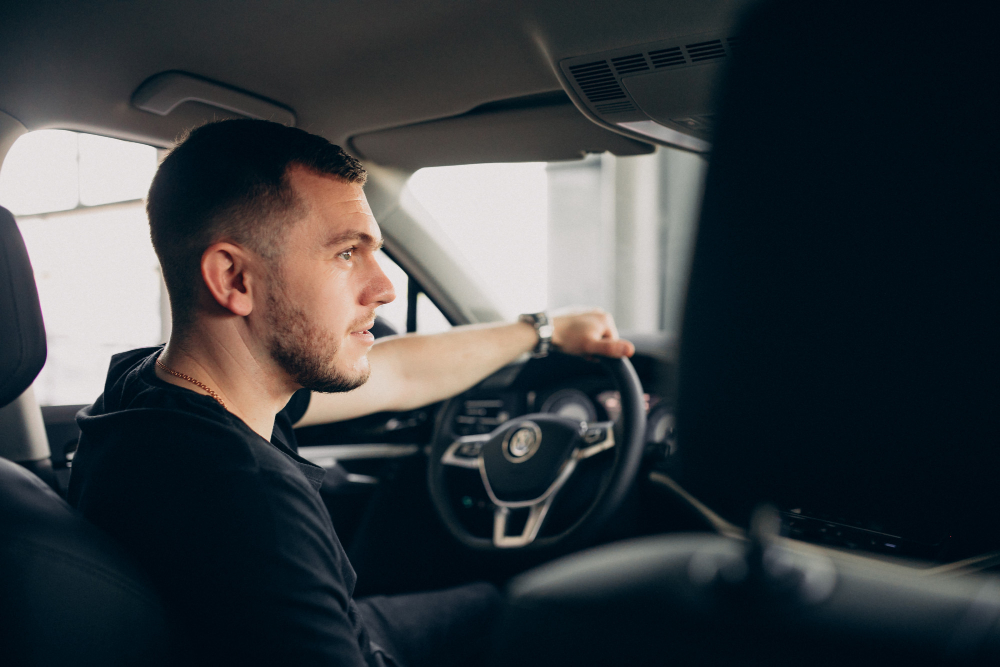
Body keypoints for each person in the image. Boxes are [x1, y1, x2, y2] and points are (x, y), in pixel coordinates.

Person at [68, 119, 634, 667]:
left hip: (350, 629)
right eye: (346, 253)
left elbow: (400, 374)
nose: (384, 288)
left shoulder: (149, 388)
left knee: (504, 606)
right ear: (234, 279)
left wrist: (543, 330)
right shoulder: (251, 501)